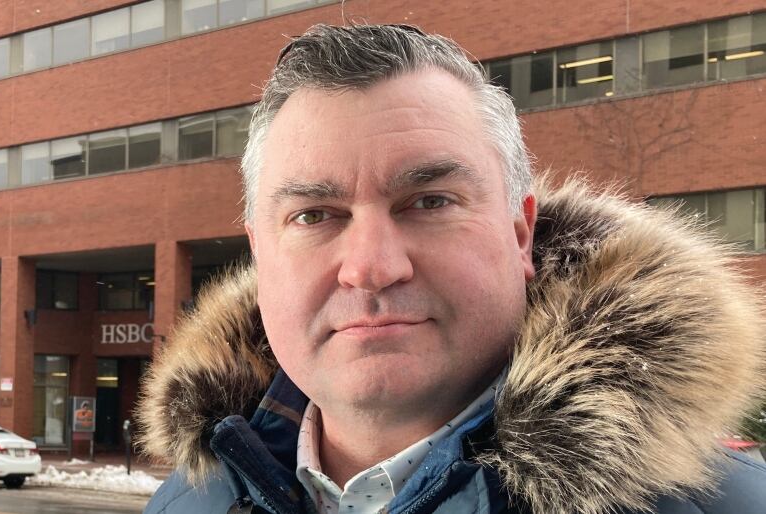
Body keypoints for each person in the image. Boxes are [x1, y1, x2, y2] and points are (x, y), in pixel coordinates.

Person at [138, 24, 766, 514]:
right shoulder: (187, 500)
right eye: (315, 215)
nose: (371, 268)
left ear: (520, 234)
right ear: (260, 253)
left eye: (430, 202)